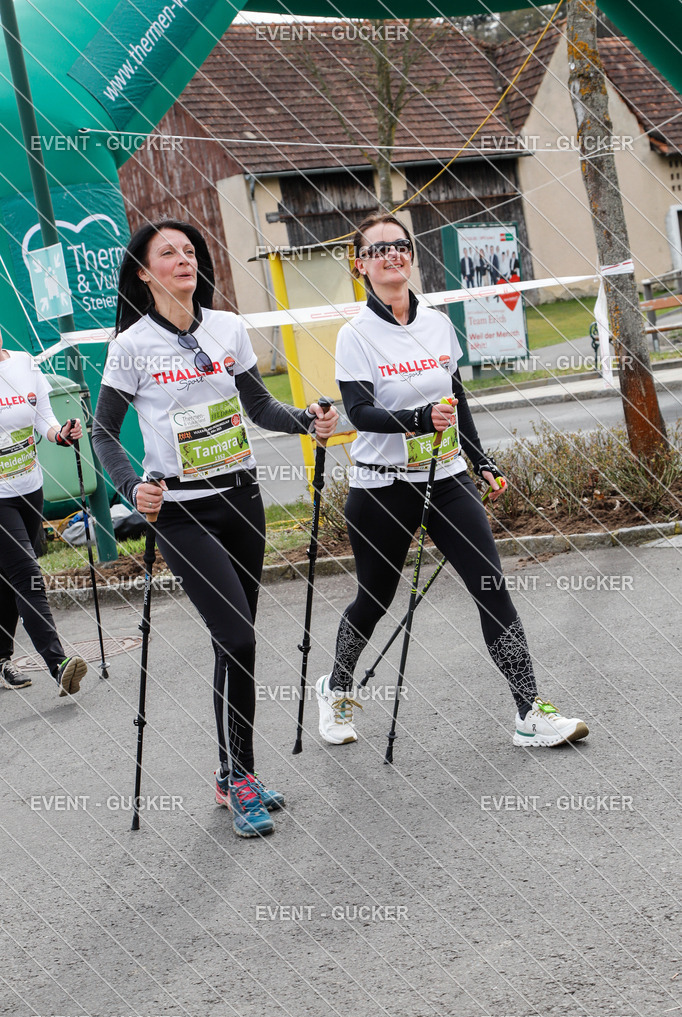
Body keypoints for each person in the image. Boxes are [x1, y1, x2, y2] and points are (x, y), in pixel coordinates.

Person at [92, 219, 337, 839]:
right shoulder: (132, 346)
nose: (184, 259)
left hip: (242, 501)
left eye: (190, 250)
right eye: (167, 253)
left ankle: (231, 776)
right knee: (237, 636)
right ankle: (244, 776)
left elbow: (257, 405)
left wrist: (304, 419)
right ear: (144, 273)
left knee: (237, 641)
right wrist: (132, 488)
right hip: (181, 511)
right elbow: (102, 432)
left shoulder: (228, 328)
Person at [315, 213, 589, 750]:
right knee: (375, 598)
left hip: (447, 480)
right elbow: (360, 413)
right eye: (379, 249)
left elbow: (456, 400)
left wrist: (480, 460)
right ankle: (337, 687)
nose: (393, 255)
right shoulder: (356, 335)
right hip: (382, 487)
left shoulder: (438, 323)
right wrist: (419, 421)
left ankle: (530, 711)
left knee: (491, 587)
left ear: (411, 256)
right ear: (360, 265)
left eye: (401, 245)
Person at [0, 329, 87, 696]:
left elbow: (43, 417)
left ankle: (1, 658)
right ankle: (59, 663)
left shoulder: (24, 362)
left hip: (29, 488)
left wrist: (61, 433)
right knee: (27, 576)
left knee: (10, 579)